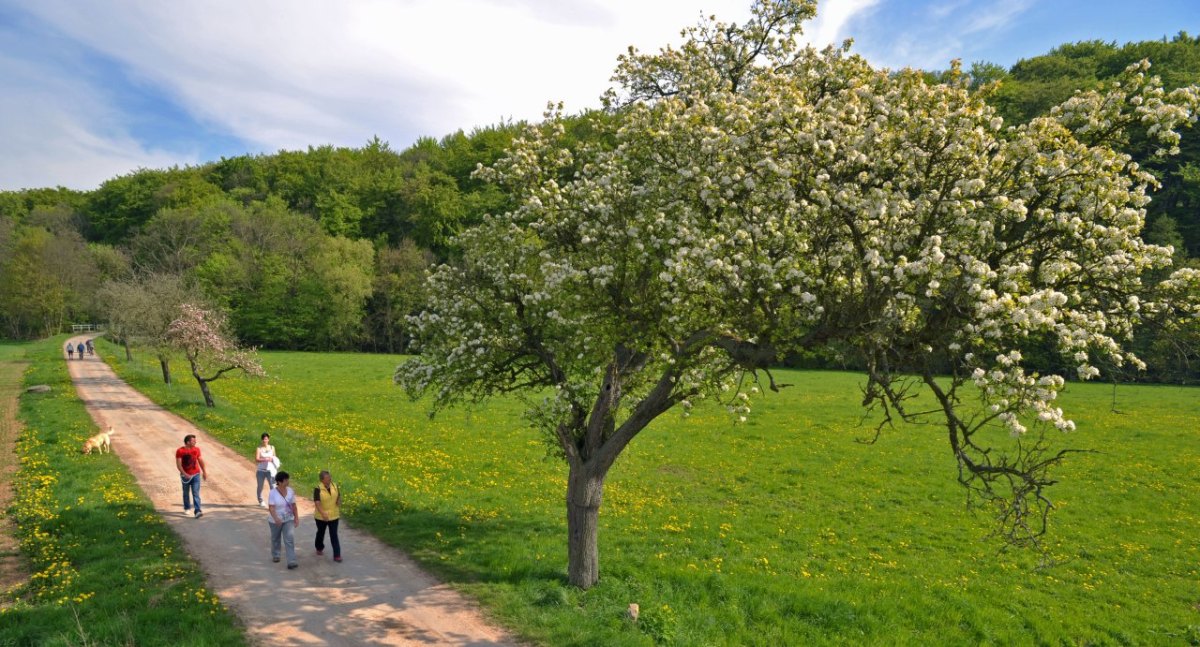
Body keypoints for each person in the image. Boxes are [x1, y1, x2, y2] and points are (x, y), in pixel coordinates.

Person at [268, 470, 299, 569]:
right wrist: (276, 518)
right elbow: (271, 507)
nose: (287, 481)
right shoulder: (273, 493)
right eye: (285, 480)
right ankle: (276, 555)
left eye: (287, 479)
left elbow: (294, 505)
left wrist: (296, 518)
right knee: (275, 538)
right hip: (275, 520)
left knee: (289, 539)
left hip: (288, 519)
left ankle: (291, 561)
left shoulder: (290, 491)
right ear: (280, 482)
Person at [313, 470, 343, 562]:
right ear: (322, 480)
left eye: (330, 477)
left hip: (334, 515)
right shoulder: (318, 488)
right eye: (327, 478)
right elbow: (317, 503)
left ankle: (337, 555)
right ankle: (319, 547)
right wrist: (323, 513)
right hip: (321, 517)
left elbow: (339, 495)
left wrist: (339, 500)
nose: (330, 479)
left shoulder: (335, 485)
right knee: (321, 533)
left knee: (334, 534)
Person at [175, 434, 207, 518]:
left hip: (196, 474)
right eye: (193, 441)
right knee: (186, 493)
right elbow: (179, 465)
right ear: (188, 442)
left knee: (195, 493)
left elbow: (200, 460)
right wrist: (185, 474)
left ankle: (197, 511)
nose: (195, 442)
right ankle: (187, 507)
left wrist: (204, 472)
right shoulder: (180, 451)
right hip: (185, 476)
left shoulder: (196, 450)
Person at [254, 433, 277, 507]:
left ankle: (273, 502)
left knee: (273, 487)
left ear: (268, 439)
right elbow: (257, 459)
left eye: (266, 439)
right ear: (262, 440)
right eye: (264, 439)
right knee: (260, 486)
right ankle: (260, 500)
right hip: (261, 471)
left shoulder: (272, 447)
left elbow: (274, 458)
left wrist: (272, 459)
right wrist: (265, 459)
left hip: (270, 471)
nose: (265, 440)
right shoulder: (259, 448)